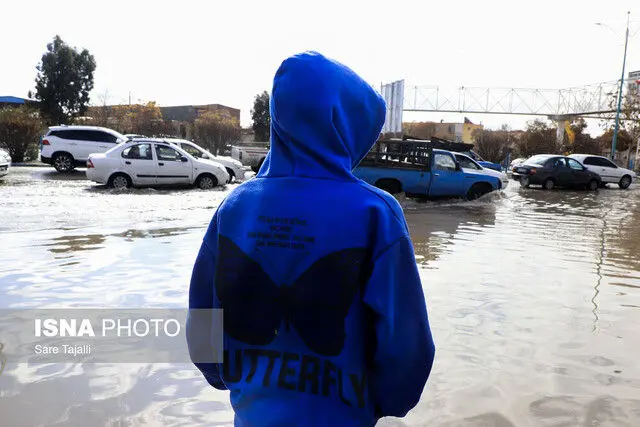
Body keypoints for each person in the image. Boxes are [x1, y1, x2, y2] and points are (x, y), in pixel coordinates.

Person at [187, 51, 435, 427]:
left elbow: (202, 313)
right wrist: (385, 402)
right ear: (348, 126)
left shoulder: (234, 206)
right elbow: (407, 342)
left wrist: (225, 377)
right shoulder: (375, 212)